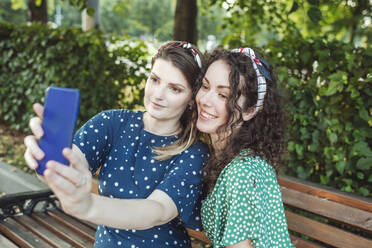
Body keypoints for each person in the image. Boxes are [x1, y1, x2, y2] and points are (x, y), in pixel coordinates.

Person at [24, 41, 209, 248]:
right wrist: (47, 159)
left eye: (174, 89)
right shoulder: (112, 123)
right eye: (155, 80)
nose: (158, 94)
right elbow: (69, 161)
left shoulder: (193, 152)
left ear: (192, 99)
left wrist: (89, 206)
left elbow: (157, 211)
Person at [195, 48, 294, 248]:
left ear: (249, 111)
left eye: (223, 95)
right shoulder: (230, 159)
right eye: (205, 86)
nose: (205, 100)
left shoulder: (242, 172)